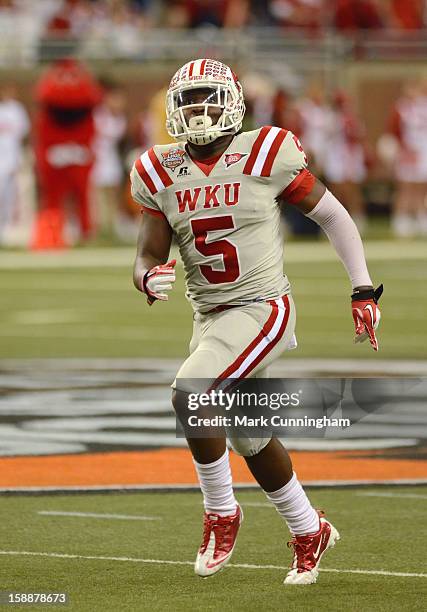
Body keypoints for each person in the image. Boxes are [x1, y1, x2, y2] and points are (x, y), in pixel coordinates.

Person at [130, 59, 382, 585]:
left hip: (263, 307)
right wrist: (147, 276)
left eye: (208, 98)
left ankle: (221, 512)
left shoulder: (265, 151)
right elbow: (148, 252)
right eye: (189, 100)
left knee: (192, 393)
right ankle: (308, 527)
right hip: (210, 316)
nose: (198, 110)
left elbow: (333, 215)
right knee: (251, 435)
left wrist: (362, 287)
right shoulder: (158, 168)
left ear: (233, 103)